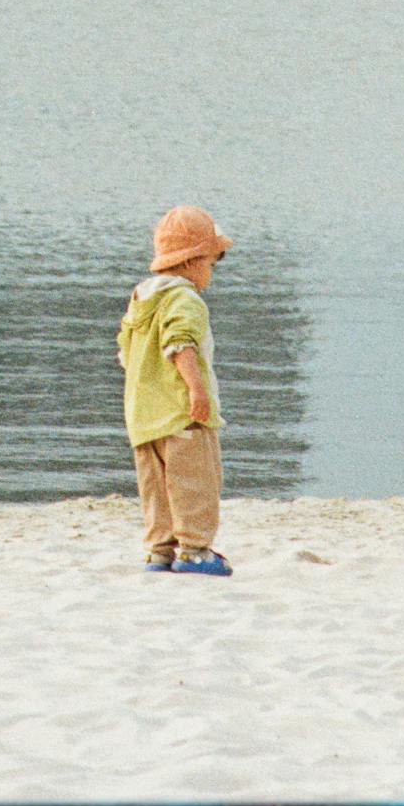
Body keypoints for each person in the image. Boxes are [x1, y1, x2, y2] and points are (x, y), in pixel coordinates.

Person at [118, 205, 233, 576]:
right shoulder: (185, 299)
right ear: (190, 261)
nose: (210, 274)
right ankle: (195, 550)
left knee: (156, 489)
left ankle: (159, 550)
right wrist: (197, 391)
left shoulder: (141, 300)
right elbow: (180, 344)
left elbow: (124, 350)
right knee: (194, 483)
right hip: (182, 414)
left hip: (143, 415)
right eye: (210, 265)